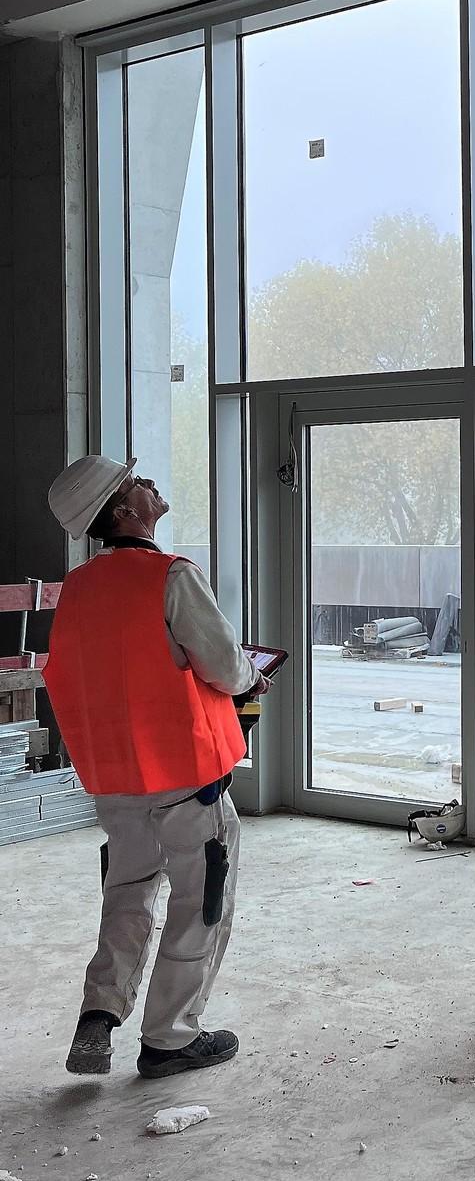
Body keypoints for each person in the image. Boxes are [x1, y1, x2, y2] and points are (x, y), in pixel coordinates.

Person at [43, 454, 268, 1080]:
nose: (149, 484)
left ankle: (100, 1012)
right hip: (187, 778)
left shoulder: (79, 588)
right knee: (201, 900)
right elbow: (224, 666)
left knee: (127, 893)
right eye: (135, 482)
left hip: (116, 779)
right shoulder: (171, 576)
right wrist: (251, 679)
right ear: (123, 510)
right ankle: (170, 1038)